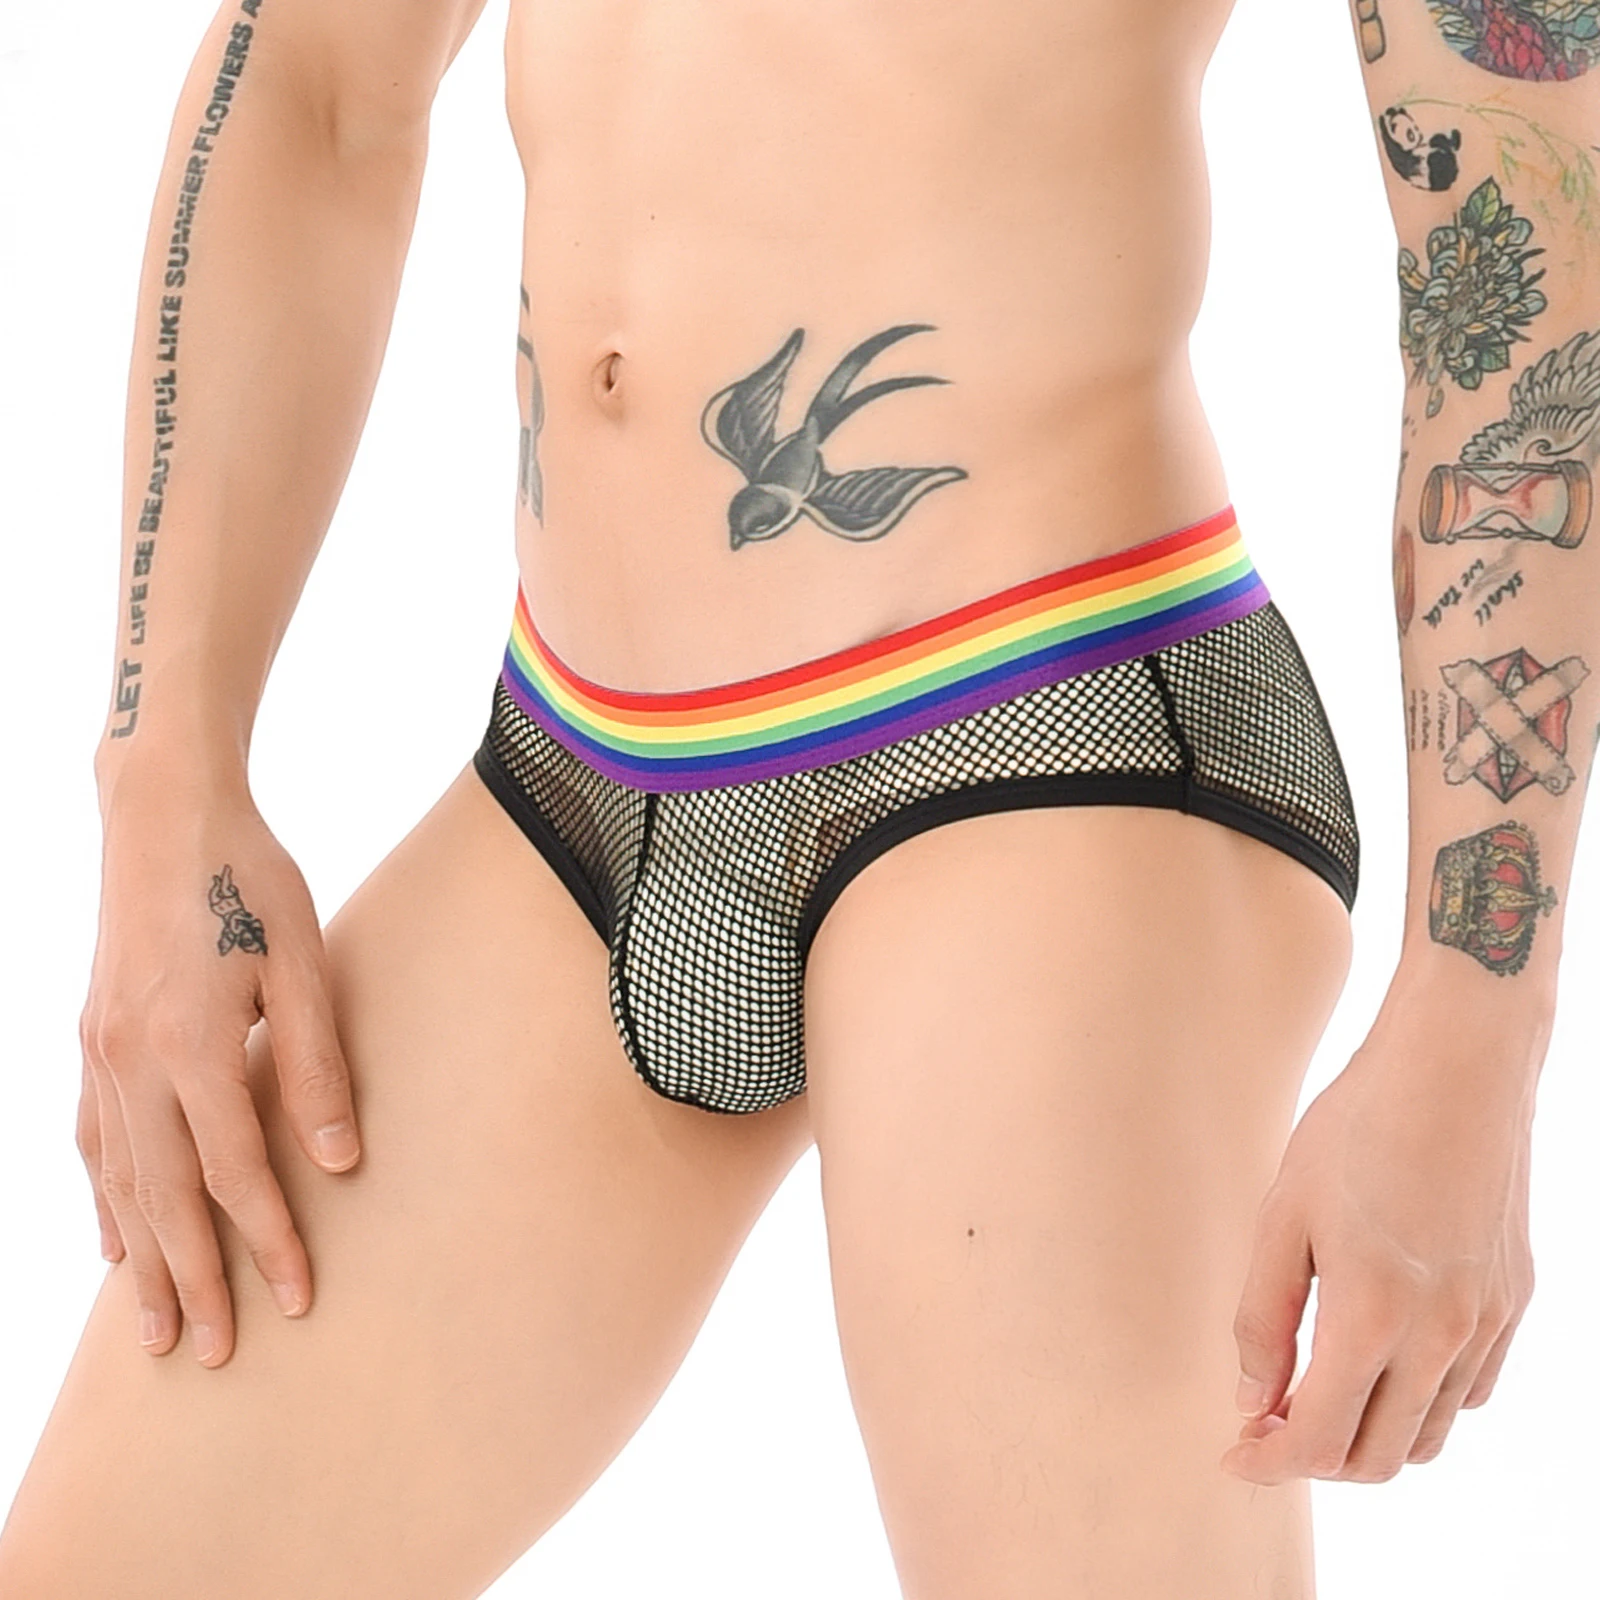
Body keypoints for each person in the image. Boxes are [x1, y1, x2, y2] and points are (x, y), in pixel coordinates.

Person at [0, 0, 1591, 1593]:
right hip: (578, 764)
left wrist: (1476, 1023)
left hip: (1039, 725)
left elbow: (1516, 212)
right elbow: (320, 84)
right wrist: (164, 771)